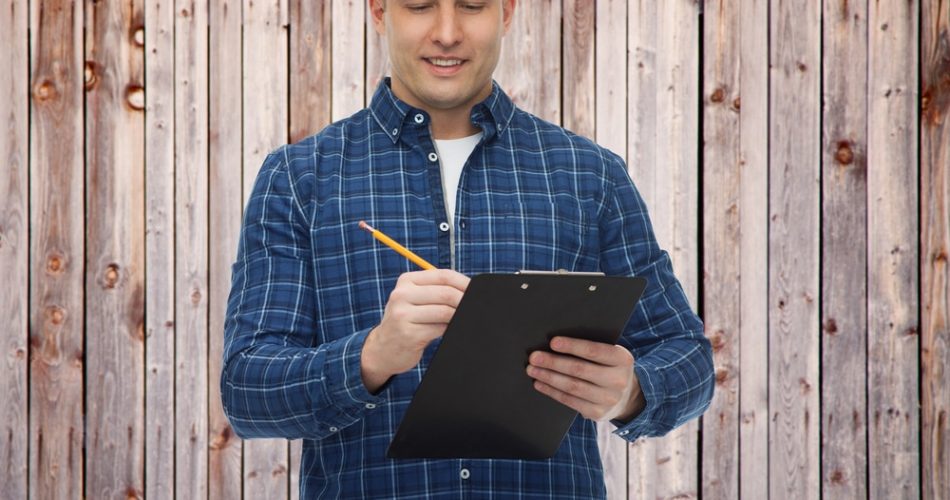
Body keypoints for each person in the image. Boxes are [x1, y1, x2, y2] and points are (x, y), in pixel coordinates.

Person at [221, 0, 714, 497]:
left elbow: (688, 359)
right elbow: (246, 388)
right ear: (378, 11)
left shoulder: (589, 175)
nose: (447, 33)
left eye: (472, 6)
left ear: (505, 12)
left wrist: (629, 392)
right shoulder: (299, 177)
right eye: (419, 6)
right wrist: (371, 356)